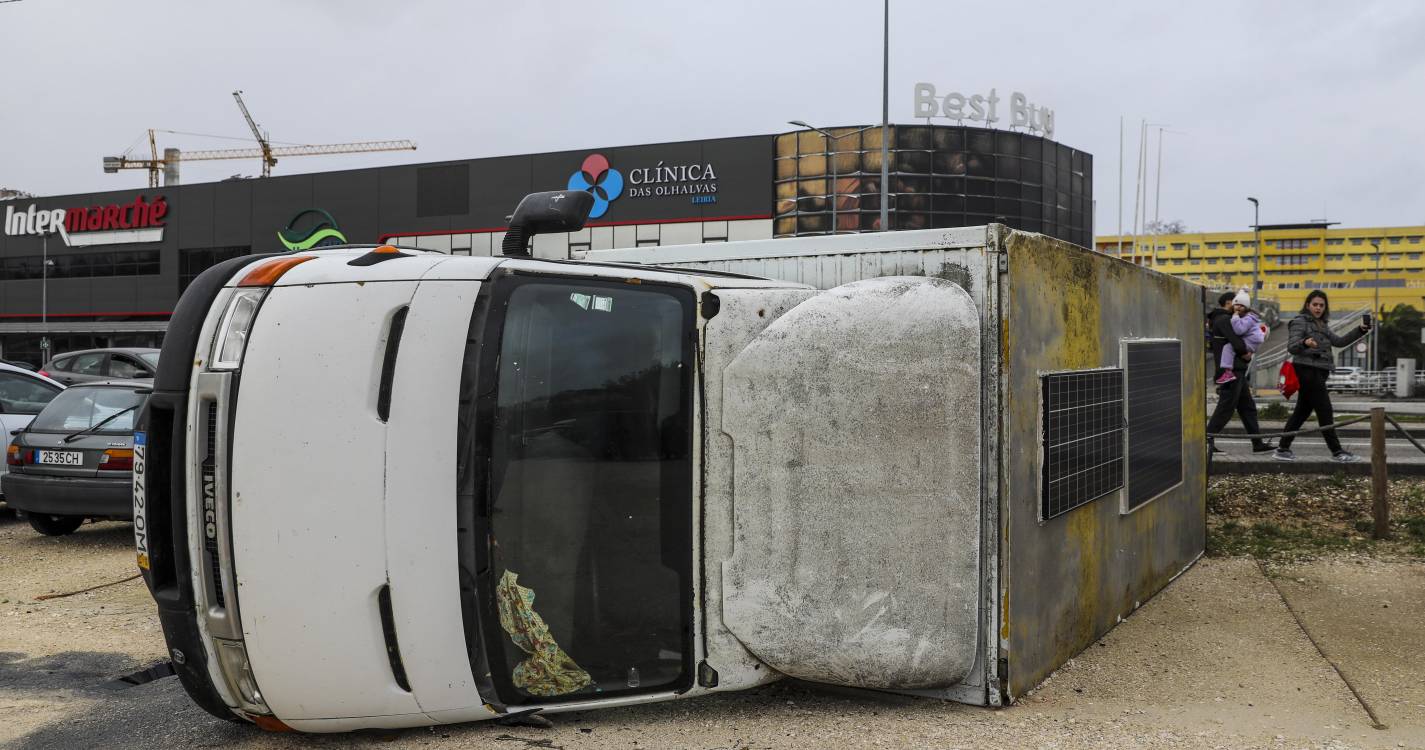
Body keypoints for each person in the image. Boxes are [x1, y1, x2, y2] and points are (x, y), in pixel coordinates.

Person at [1274, 290, 1371, 462]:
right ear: (1307, 305)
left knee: (1302, 412)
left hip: (1319, 371)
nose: (1318, 308)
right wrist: (1304, 342)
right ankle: (1337, 451)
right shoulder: (1300, 322)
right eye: (1315, 305)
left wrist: (1360, 330)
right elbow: (1292, 347)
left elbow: (1339, 342)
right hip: (1306, 370)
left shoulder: (1322, 324)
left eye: (1321, 305)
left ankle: (1282, 448)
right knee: (1325, 410)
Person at [1206, 291, 1276, 454]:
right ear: (1229, 303)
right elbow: (1237, 342)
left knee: (1247, 407)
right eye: (1236, 303)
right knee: (1226, 407)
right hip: (1231, 370)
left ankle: (1257, 443)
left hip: (1237, 368)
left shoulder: (1224, 319)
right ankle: (1206, 440)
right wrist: (1247, 352)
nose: (1239, 308)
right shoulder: (1224, 319)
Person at [1216, 290, 1267, 385]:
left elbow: (1239, 330)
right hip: (1252, 341)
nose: (1238, 307)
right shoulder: (1246, 317)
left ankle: (1228, 372)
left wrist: (1235, 318)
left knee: (1228, 347)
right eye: (1236, 304)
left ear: (1246, 308)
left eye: (1242, 305)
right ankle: (1228, 371)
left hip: (1251, 341)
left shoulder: (1249, 318)